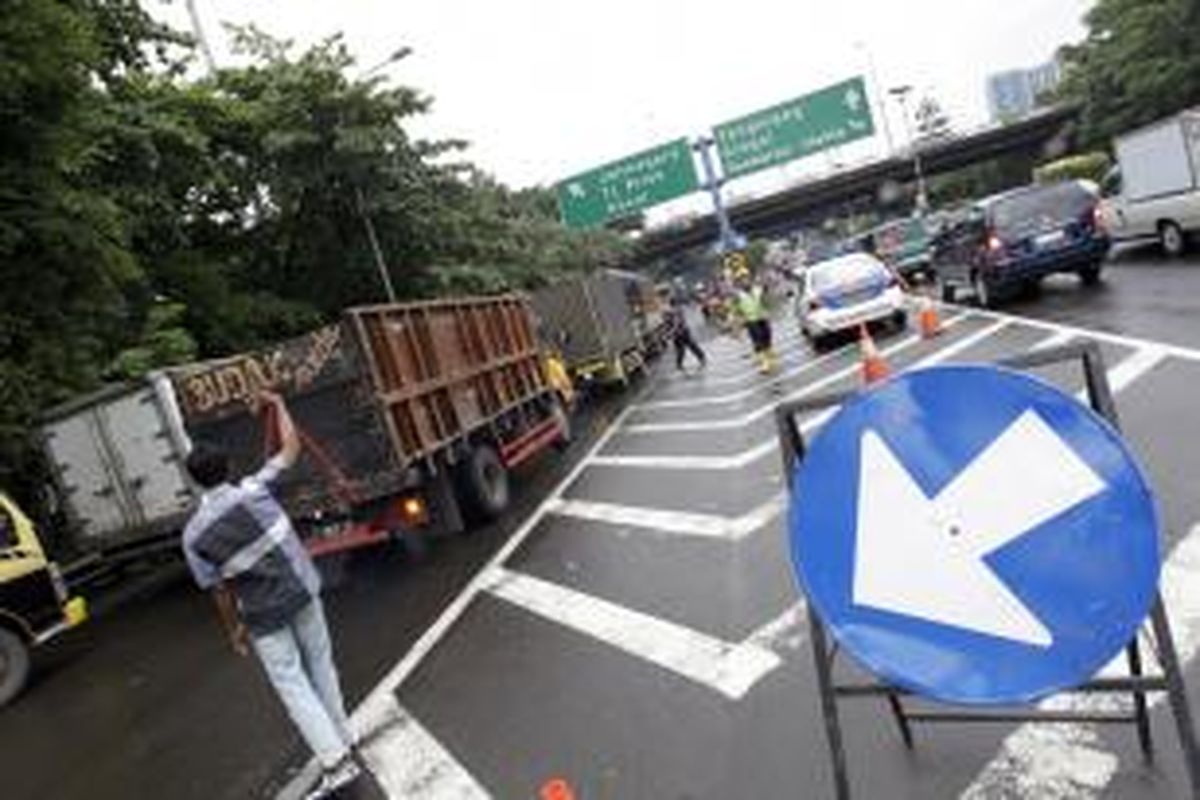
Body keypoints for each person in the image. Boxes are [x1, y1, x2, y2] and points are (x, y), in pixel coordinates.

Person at [182, 391, 361, 800]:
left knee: (293, 685)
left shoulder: (192, 535)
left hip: (261, 615)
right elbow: (292, 447)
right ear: (226, 468)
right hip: (301, 591)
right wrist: (278, 403)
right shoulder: (253, 490)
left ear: (196, 480)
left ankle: (335, 761)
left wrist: (234, 631)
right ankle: (344, 738)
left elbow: (219, 591)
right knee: (321, 665)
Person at [730, 272, 779, 374]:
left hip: (762, 317)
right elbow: (735, 311)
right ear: (738, 283)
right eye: (741, 280)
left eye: (746, 279)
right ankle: (764, 364)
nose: (745, 281)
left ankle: (770, 358)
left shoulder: (758, 289)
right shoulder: (738, 296)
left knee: (767, 337)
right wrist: (736, 327)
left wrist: (769, 308)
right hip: (751, 320)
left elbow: (767, 300)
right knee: (758, 341)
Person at [665, 302, 706, 372]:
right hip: (680, 333)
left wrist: (670, 333)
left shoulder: (673, 312)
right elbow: (671, 324)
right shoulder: (674, 311)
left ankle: (701, 358)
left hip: (682, 332)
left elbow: (676, 323)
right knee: (683, 349)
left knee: (689, 346)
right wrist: (669, 333)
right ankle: (680, 364)